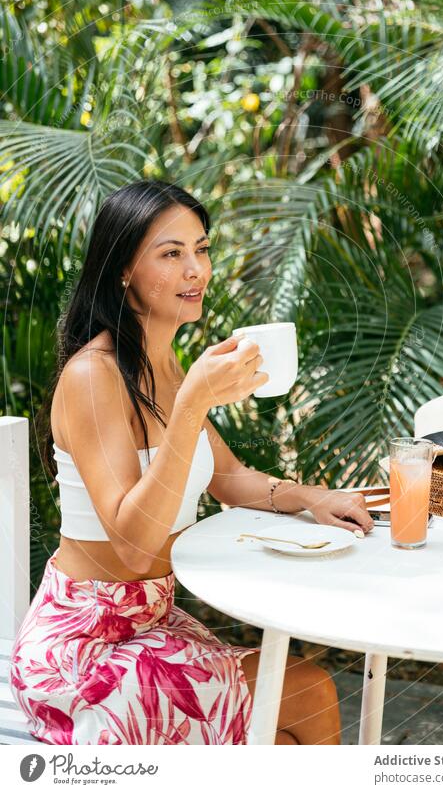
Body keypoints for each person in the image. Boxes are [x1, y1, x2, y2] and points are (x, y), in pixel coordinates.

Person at [10, 181, 374, 745]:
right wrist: (192, 405)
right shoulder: (93, 376)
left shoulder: (165, 361)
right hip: (85, 650)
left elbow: (225, 475)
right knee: (302, 705)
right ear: (123, 270)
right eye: (171, 253)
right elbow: (133, 543)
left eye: (200, 249)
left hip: (152, 622)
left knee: (296, 715)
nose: (196, 270)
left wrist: (312, 497)